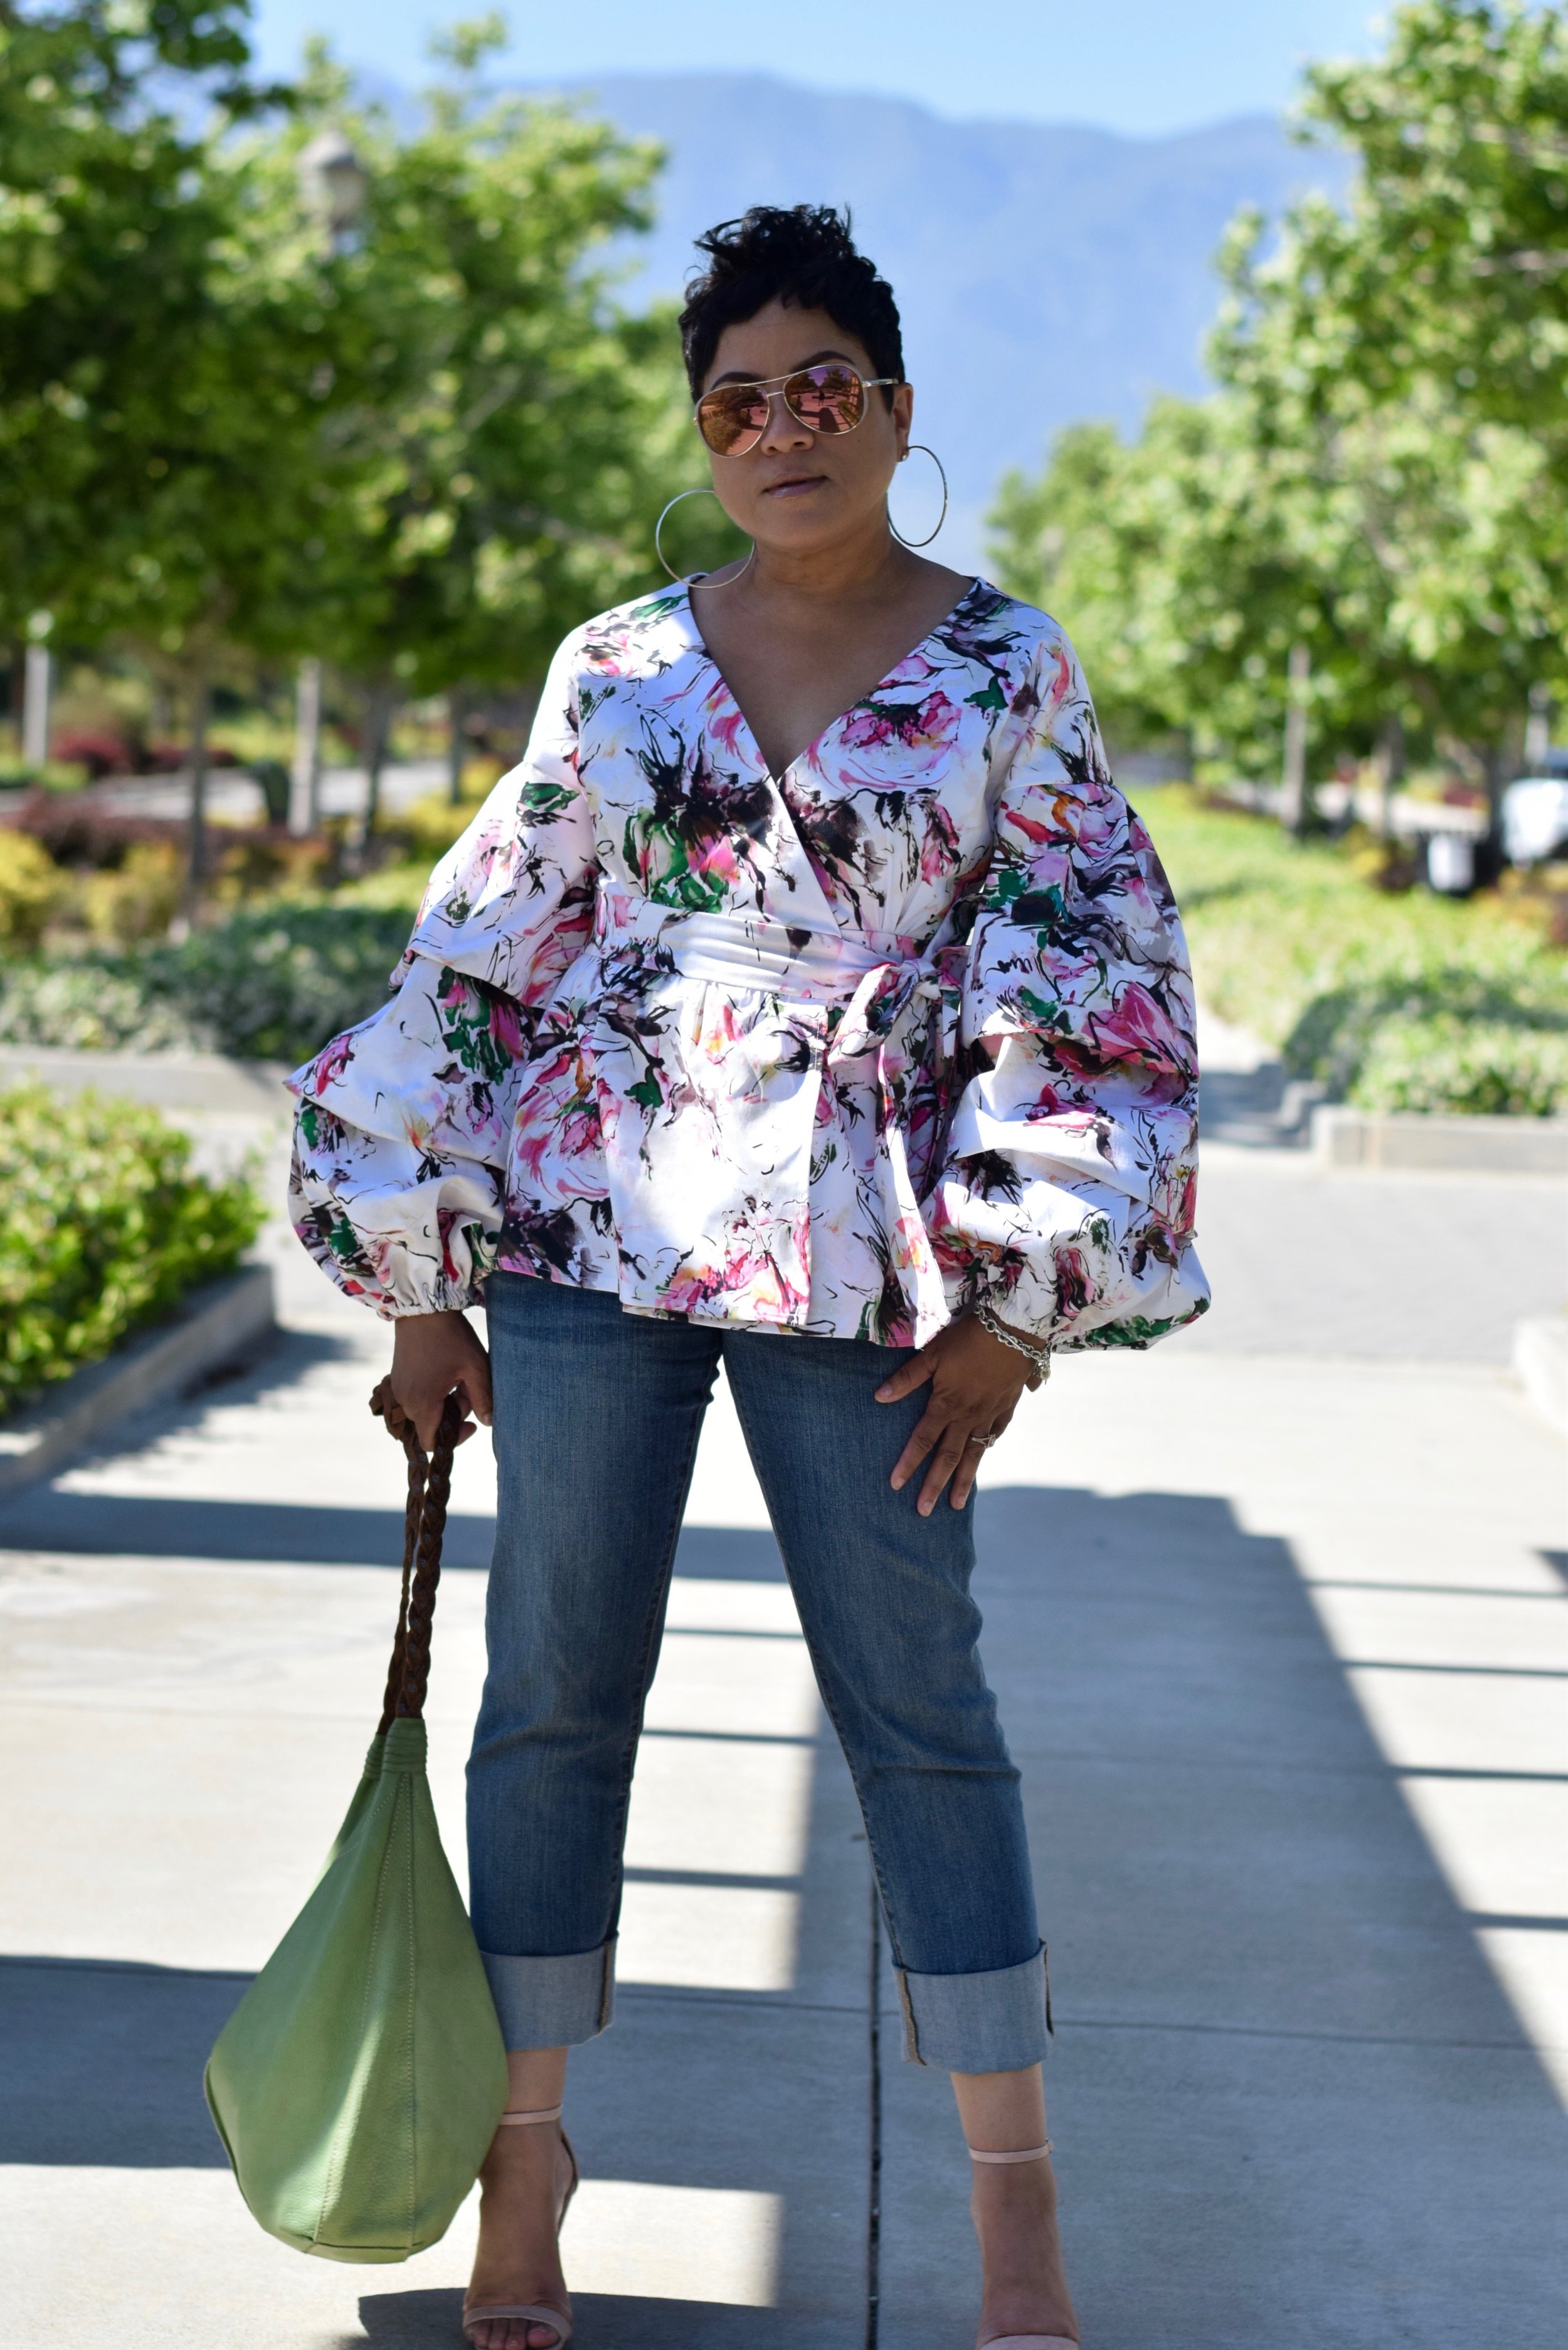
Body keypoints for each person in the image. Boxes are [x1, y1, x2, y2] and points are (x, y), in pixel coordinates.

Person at [289, 203, 1209, 2350]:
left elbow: (1092, 972)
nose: (781, 431)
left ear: (894, 410)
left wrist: (1015, 1310)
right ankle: (522, 2170)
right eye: (735, 404)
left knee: (922, 1713)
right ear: (699, 436)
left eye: (822, 390)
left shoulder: (1005, 668)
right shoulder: (616, 663)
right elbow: (485, 946)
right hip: (588, 1235)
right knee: (551, 1699)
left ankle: (1014, 2216)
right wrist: (420, 1275)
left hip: (867, 1265)